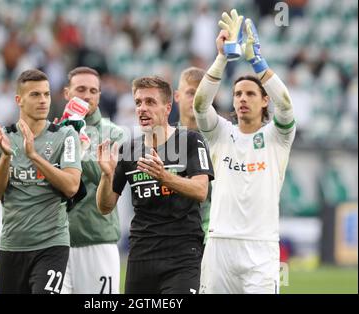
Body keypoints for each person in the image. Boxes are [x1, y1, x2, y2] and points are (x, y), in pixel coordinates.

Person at [194, 10, 296, 294]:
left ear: (265, 100)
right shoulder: (221, 134)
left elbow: (286, 106)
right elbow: (200, 106)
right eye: (237, 94)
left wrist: (257, 61)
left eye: (250, 94)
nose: (242, 99)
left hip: (261, 247)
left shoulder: (277, 137)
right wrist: (222, 57)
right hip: (219, 244)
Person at [96, 76, 214, 294]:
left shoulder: (190, 140)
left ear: (167, 107)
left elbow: (201, 190)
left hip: (183, 254)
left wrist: (164, 176)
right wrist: (106, 175)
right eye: (138, 102)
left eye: (150, 102)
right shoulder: (129, 150)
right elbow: (105, 207)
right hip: (142, 255)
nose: (142, 108)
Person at [0, 69, 82, 294]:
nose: (43, 101)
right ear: (19, 100)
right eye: (35, 95)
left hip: (52, 244)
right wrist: (6, 157)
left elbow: (71, 186)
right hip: (13, 244)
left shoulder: (65, 136)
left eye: (46, 94)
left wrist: (34, 156)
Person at [60, 67, 124, 294]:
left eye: (93, 91)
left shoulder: (114, 133)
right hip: (56, 243)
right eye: (80, 89)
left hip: (97, 240)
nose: (87, 95)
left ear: (99, 95)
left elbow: (110, 179)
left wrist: (77, 142)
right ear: (67, 93)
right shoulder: (54, 132)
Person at [174, 67, 212, 246]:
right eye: (190, 93)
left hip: (212, 236)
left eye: (201, 93)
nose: (196, 99)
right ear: (176, 96)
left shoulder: (221, 139)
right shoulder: (165, 140)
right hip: (175, 237)